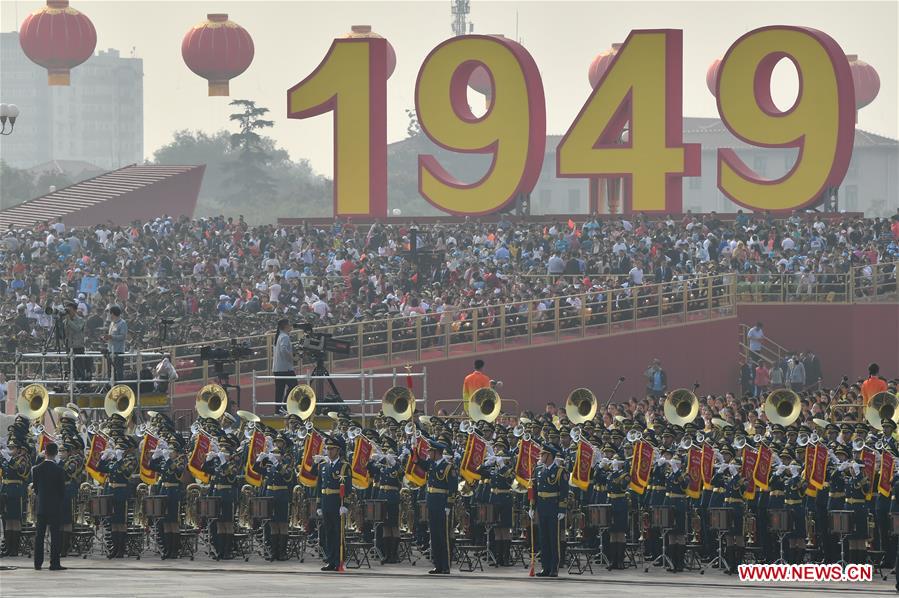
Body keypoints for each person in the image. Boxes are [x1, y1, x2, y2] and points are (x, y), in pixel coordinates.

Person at [314, 435, 351, 571]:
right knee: (327, 532)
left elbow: (348, 488)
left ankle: (339, 560)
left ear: (338, 450)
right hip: (326, 501)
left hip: (337, 502)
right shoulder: (323, 466)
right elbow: (319, 487)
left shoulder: (344, 467)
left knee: (337, 532)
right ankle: (330, 560)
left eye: (332, 449)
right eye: (328, 449)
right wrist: (318, 505)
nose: (329, 451)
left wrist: (345, 505)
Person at [530, 443, 568, 577]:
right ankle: (545, 567)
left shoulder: (559, 471)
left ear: (549, 456)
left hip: (553, 507)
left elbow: (564, 492)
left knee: (553, 539)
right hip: (542, 507)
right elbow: (534, 490)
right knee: (543, 538)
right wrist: (532, 507)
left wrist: (562, 509)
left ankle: (554, 567)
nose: (540, 456)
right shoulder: (539, 470)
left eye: (543, 454)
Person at [32, 442, 67, 571]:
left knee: (39, 535)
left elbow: (35, 488)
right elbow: (62, 490)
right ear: (56, 453)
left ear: (45, 452)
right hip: (55, 506)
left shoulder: (36, 469)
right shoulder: (59, 470)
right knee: (55, 535)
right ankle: (54, 563)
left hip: (41, 506)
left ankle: (37, 563)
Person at [272, 319, 297, 411]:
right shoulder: (284, 337)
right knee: (294, 386)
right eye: (289, 325)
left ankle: (278, 409)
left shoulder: (278, 336)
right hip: (285, 368)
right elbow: (283, 349)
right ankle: (285, 406)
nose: (290, 326)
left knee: (279, 390)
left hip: (277, 369)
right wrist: (292, 357)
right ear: (285, 326)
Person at [62, 301, 89, 383]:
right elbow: (64, 333)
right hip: (69, 346)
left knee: (79, 367)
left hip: (78, 346)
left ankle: (81, 384)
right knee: (71, 367)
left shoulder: (80, 320)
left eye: (69, 310)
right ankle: (72, 383)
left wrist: (69, 321)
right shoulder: (66, 321)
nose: (68, 312)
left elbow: (77, 329)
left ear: (74, 310)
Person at [106, 305, 127, 383]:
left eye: (110, 313)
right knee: (110, 371)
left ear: (113, 314)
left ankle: (120, 386)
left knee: (118, 371)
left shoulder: (122, 323)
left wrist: (112, 337)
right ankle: (111, 386)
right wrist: (106, 338)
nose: (109, 315)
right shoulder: (112, 323)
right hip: (110, 350)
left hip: (118, 351)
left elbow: (123, 337)